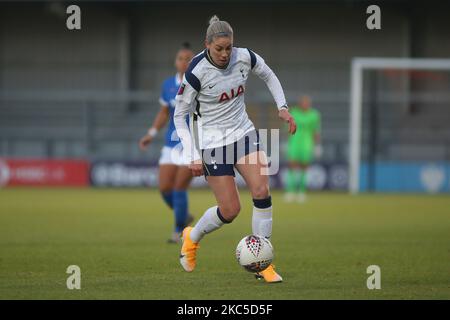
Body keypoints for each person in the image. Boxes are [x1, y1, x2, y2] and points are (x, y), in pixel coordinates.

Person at [174, 15, 297, 283]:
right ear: (207, 45)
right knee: (230, 210)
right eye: (219, 49)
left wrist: (283, 108)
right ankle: (191, 237)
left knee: (262, 190)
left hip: (243, 133)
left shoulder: (244, 57)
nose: (225, 54)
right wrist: (192, 154)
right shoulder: (195, 72)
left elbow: (269, 74)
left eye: (228, 47)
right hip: (212, 143)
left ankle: (263, 263)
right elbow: (178, 116)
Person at [139, 43, 195, 243]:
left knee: (179, 188)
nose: (184, 62)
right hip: (171, 143)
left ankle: (179, 231)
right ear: (175, 61)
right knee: (165, 189)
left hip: (192, 144)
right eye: (181, 58)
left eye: (189, 58)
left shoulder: (201, 84)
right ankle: (184, 215)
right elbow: (164, 113)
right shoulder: (167, 85)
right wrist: (151, 133)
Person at [284, 95, 322, 203]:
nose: (305, 104)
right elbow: (288, 128)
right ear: (300, 103)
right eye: (303, 102)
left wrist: (317, 145)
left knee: (304, 167)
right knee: (292, 165)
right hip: (294, 143)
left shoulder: (314, 115)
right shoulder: (294, 113)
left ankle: (301, 192)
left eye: (307, 102)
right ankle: (290, 191)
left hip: (307, 144)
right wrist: (285, 143)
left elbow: (316, 131)